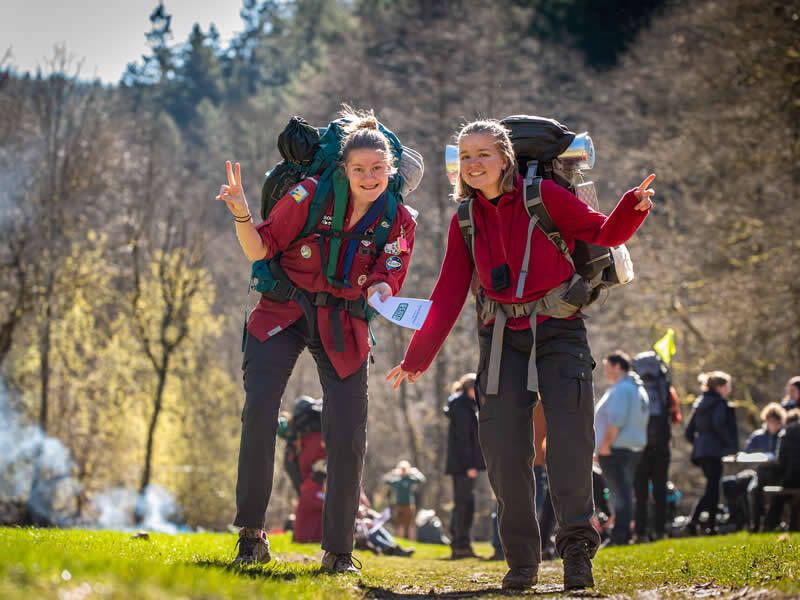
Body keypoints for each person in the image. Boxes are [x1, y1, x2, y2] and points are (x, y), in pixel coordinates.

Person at [387, 118, 654, 591]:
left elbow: (603, 232)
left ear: (505, 157)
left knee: (571, 444)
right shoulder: (464, 219)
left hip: (560, 330)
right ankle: (522, 563)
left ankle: (576, 552)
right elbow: (448, 293)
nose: (473, 165)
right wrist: (417, 357)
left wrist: (632, 207)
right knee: (504, 451)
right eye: (465, 157)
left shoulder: (545, 198)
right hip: (501, 339)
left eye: (483, 154)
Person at [216, 107, 418, 573]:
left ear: (391, 169)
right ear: (344, 170)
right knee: (261, 409)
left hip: (344, 321)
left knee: (348, 433)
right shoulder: (309, 194)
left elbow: (390, 276)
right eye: (359, 169)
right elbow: (261, 248)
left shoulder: (400, 220)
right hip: (283, 308)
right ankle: (251, 534)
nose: (369, 177)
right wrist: (242, 212)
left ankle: (339, 552)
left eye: (378, 169)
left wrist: (382, 290)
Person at [594, 351, 649, 546]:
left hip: (615, 448)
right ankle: (623, 532)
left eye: (608, 367)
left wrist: (604, 445)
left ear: (618, 366)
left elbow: (616, 419)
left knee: (619, 493)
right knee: (624, 491)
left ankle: (620, 535)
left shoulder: (621, 389)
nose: (606, 371)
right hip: (632, 447)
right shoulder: (636, 388)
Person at [684, 371, 739, 535]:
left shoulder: (699, 403)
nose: (729, 389)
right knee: (713, 488)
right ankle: (704, 524)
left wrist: (700, 444)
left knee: (711, 487)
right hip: (714, 450)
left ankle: (699, 523)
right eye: (728, 386)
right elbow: (719, 425)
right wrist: (729, 445)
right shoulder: (720, 404)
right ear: (721, 387)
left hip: (701, 451)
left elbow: (688, 431)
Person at [632, 351, 677, 542]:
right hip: (661, 445)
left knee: (639, 491)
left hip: (639, 446)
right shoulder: (664, 385)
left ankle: (640, 532)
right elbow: (674, 413)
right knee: (660, 489)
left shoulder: (635, 386)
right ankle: (660, 530)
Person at [444, 372, 485, 559]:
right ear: (471, 388)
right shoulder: (461, 406)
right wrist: (470, 465)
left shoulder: (467, 405)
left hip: (464, 465)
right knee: (464, 504)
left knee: (465, 503)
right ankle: (460, 544)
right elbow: (463, 439)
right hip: (463, 466)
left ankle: (461, 542)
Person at [764, 408, 800, 530]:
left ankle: (769, 525)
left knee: (778, 492)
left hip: (791, 479)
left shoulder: (786, 434)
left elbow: (781, 462)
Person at [383, 460, 426, 540]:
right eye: (401, 468)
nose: (403, 470)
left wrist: (415, 472)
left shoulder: (410, 479)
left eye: (405, 469)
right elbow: (386, 480)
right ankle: (400, 540)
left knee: (411, 524)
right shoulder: (397, 480)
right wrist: (392, 473)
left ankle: (412, 540)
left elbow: (422, 479)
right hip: (399, 505)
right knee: (400, 524)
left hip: (409, 505)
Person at [293, 460, 326, 544]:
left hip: (306, 532)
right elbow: (322, 506)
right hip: (306, 535)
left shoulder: (310, 489)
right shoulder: (311, 491)